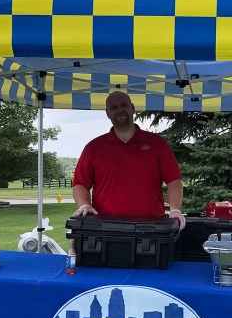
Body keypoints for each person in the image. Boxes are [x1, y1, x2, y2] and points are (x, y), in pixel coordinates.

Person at [72, 91, 185, 229]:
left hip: (151, 229)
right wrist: (85, 205)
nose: (119, 110)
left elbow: (174, 180)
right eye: (113, 107)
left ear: (132, 108)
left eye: (124, 105)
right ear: (107, 113)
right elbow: (80, 183)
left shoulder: (157, 144)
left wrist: (175, 209)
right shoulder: (93, 148)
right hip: (105, 229)